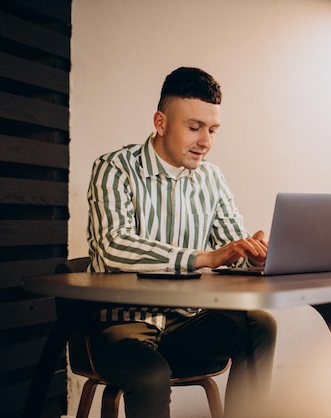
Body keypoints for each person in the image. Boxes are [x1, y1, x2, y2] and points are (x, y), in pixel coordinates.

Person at [85, 67, 277, 418]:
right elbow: (114, 246)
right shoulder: (114, 168)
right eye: (194, 128)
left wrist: (252, 256)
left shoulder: (212, 178)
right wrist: (202, 258)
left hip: (187, 324)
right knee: (151, 373)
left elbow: (229, 251)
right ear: (160, 122)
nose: (205, 141)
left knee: (259, 325)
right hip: (122, 326)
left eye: (213, 130)